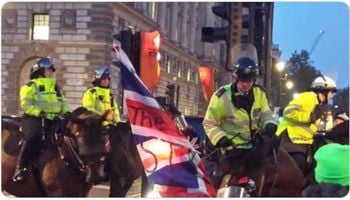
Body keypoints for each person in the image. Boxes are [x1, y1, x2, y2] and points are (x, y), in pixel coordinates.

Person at [202, 57, 278, 179]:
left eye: (249, 81)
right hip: (231, 148)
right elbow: (209, 123)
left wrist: (269, 123)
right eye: (243, 81)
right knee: (226, 180)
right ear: (236, 79)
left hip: (253, 146)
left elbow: (265, 114)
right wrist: (221, 138)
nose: (246, 85)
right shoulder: (221, 97)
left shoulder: (260, 94)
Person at [13, 57, 70, 182]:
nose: (51, 72)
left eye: (51, 70)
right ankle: (20, 168)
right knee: (31, 137)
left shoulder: (55, 86)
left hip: (53, 119)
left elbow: (63, 102)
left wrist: (66, 112)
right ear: (40, 71)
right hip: (35, 118)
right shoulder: (30, 86)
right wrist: (38, 112)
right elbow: (26, 105)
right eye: (49, 70)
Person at [275, 75, 337, 174]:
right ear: (324, 90)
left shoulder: (318, 104)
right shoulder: (308, 97)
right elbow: (288, 112)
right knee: (298, 165)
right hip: (290, 139)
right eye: (331, 92)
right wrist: (310, 117)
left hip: (302, 142)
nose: (331, 96)